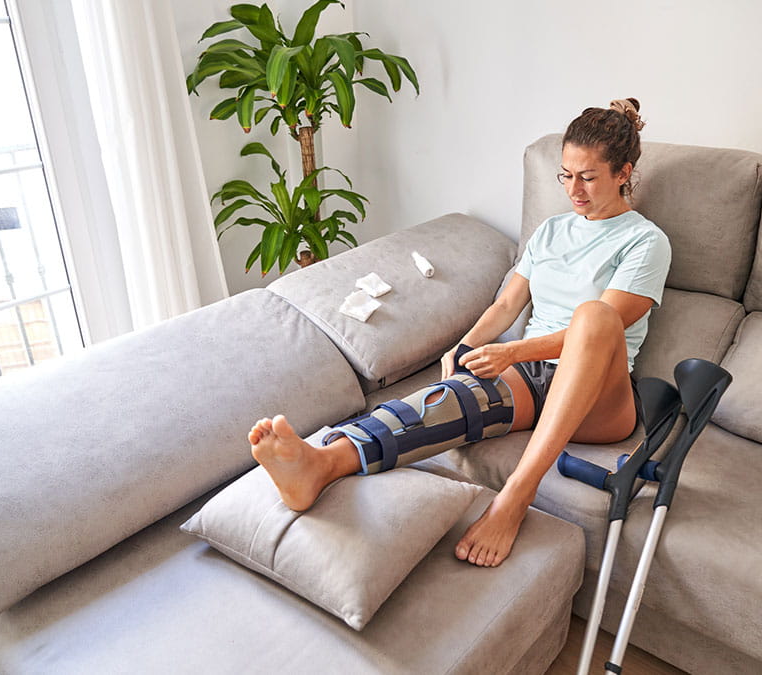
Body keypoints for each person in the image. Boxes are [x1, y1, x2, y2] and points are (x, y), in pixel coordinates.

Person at [248, 98, 671, 568]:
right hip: (533, 374)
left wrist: (509, 351)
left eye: (588, 177)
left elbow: (604, 327)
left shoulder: (645, 241)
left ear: (622, 172)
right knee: (450, 399)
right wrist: (466, 347)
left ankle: (512, 500)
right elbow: (507, 304)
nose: (574, 189)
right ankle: (321, 464)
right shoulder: (551, 231)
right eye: (566, 174)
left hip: (602, 397)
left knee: (593, 315)